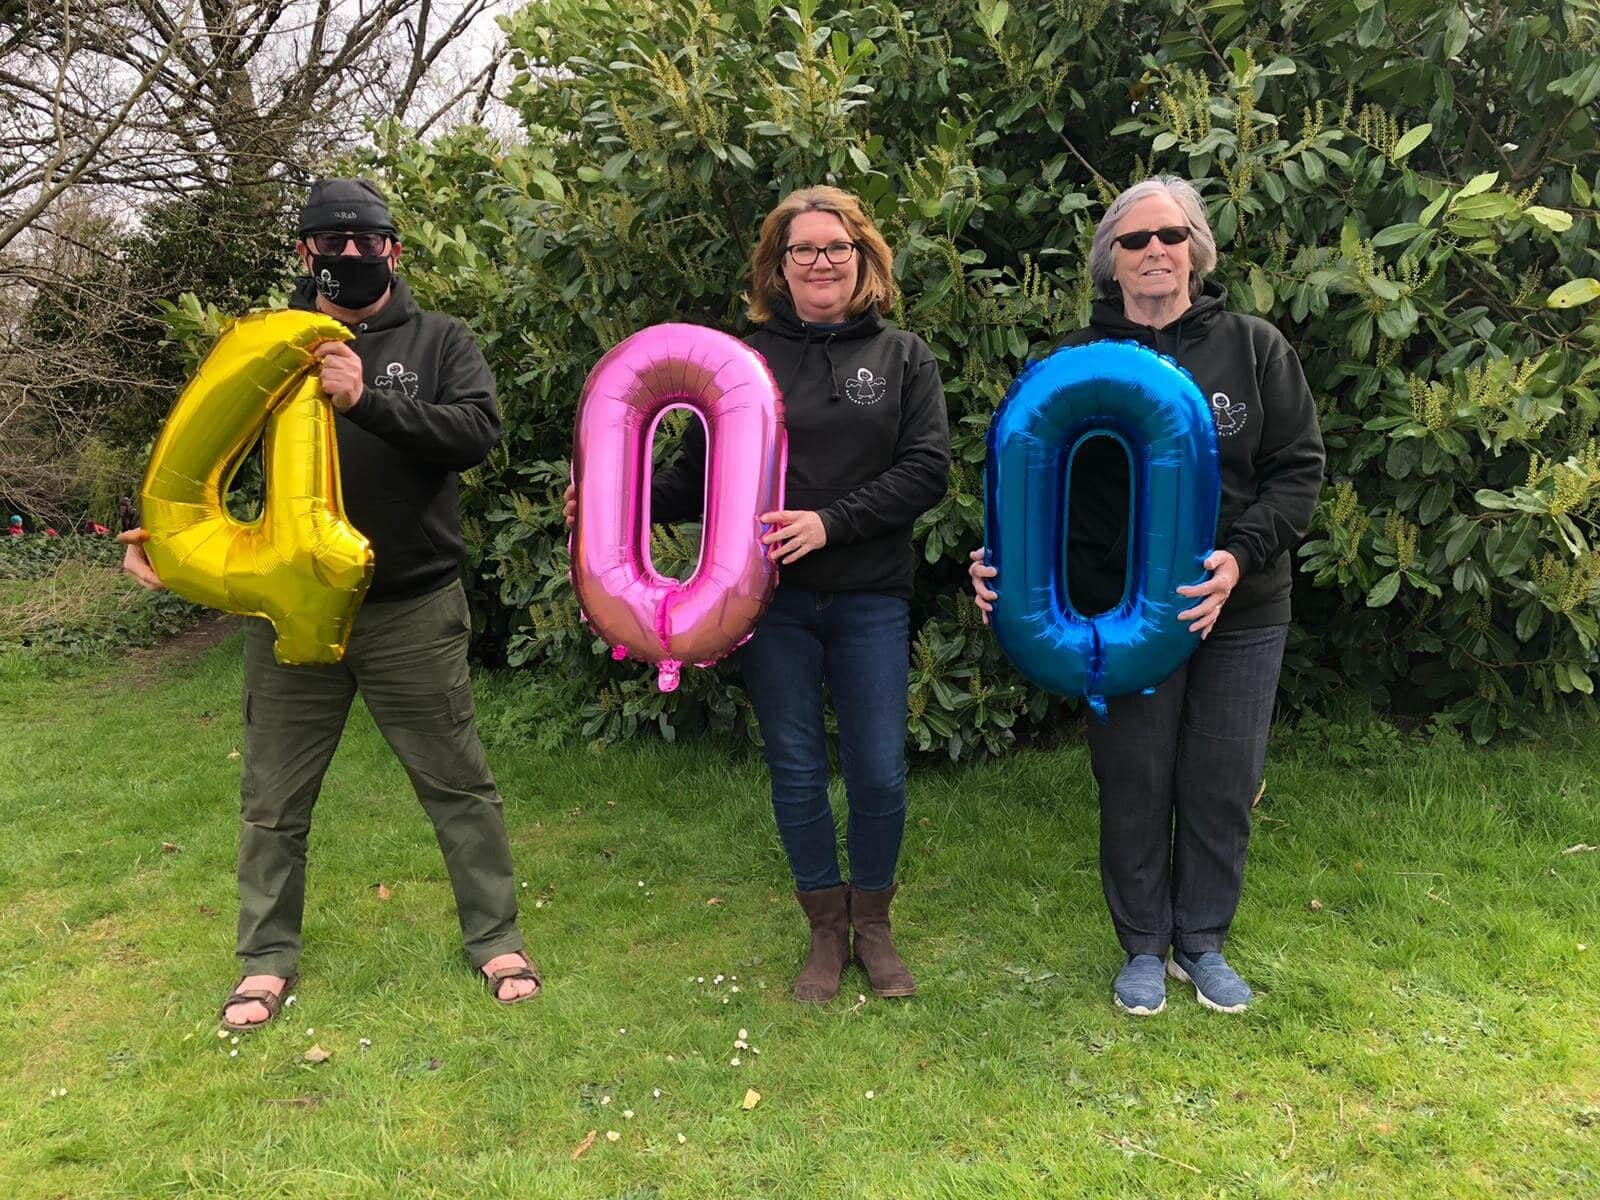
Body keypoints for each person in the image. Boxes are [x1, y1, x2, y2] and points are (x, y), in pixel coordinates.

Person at [121, 178, 539, 1030]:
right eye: (330, 241)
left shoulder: (438, 340)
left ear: (394, 248)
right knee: (274, 799)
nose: (349, 255)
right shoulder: (262, 348)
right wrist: (176, 549)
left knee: (457, 784)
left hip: (410, 608)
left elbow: (476, 434)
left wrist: (368, 400)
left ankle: (496, 939)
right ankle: (264, 961)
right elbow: (197, 459)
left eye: (366, 240)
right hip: (290, 615)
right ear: (304, 251)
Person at [566, 186, 950, 1002]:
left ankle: (873, 927)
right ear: (779, 267)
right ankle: (822, 933)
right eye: (804, 250)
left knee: (880, 772)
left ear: (864, 259)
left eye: (837, 248)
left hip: (870, 597)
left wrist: (829, 523)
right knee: (798, 770)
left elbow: (927, 471)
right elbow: (697, 481)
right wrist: (614, 494)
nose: (821, 262)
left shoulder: (904, 357)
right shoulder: (745, 360)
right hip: (767, 606)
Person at [969, 175, 1325, 1016]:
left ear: (1197, 248)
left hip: (1237, 608)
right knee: (1133, 776)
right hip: (1114, 615)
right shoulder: (1067, 362)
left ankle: (1201, 941)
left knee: (1221, 779)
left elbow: (1298, 472)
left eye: (1169, 235)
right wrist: (999, 569)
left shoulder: (1253, 346)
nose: (1154, 251)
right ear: (1111, 260)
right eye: (1134, 240)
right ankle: (1141, 945)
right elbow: (1021, 478)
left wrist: (1238, 557)